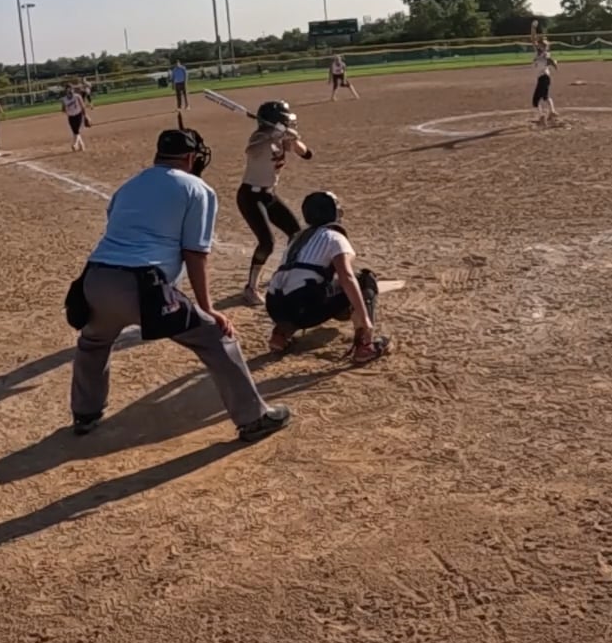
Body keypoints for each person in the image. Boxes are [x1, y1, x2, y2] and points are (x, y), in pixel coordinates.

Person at [64, 127, 291, 442]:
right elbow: (195, 254)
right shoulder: (197, 189)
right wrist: (208, 308)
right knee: (216, 336)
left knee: (93, 342)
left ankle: (85, 414)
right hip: (142, 285)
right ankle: (254, 418)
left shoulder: (128, 186)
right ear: (190, 157)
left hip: (95, 279)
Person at [265, 190, 391, 364]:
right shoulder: (334, 237)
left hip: (273, 305)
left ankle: (280, 336)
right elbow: (347, 277)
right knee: (365, 279)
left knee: (299, 286)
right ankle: (365, 345)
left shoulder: (297, 238)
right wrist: (364, 319)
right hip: (304, 304)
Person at [237, 100, 312, 306]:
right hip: (250, 196)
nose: (288, 123)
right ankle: (250, 288)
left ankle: (288, 272)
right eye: (284, 120)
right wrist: (274, 135)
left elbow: (307, 154)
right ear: (275, 121)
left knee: (296, 234)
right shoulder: (259, 138)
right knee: (267, 242)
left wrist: (293, 139)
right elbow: (252, 151)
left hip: (269, 195)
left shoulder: (282, 138)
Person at [531, 42, 560, 127]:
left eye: (541, 46)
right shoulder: (539, 54)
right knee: (545, 96)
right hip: (544, 78)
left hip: (543, 78)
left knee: (535, 100)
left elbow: (550, 60)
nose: (538, 46)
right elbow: (534, 42)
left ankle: (542, 117)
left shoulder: (545, 55)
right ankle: (552, 112)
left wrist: (554, 64)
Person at [62, 84, 90, 152]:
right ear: (66, 91)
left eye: (71, 89)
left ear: (73, 89)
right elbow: (63, 109)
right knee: (75, 132)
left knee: (77, 131)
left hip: (78, 115)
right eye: (68, 89)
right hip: (71, 117)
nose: (70, 91)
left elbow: (82, 106)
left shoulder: (77, 96)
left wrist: (85, 115)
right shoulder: (64, 99)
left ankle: (75, 144)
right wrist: (66, 109)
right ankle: (82, 145)